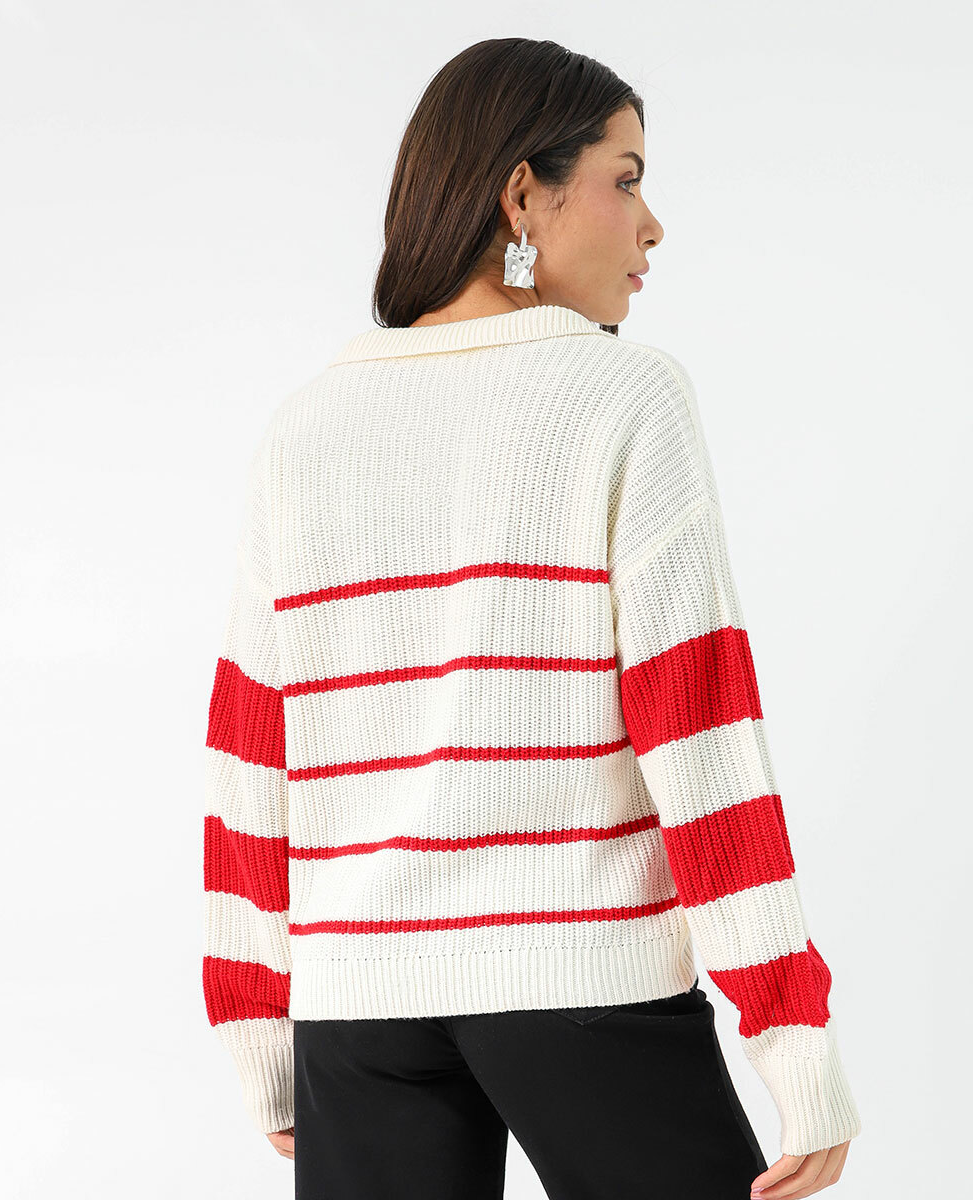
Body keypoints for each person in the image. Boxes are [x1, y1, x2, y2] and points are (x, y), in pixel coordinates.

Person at [201, 37, 861, 1200]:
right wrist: (791, 1035)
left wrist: (262, 1039)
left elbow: (250, 759)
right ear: (521, 194)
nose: (651, 226)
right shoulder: (623, 395)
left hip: (358, 1012)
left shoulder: (305, 427)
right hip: (580, 977)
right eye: (624, 178)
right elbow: (700, 730)